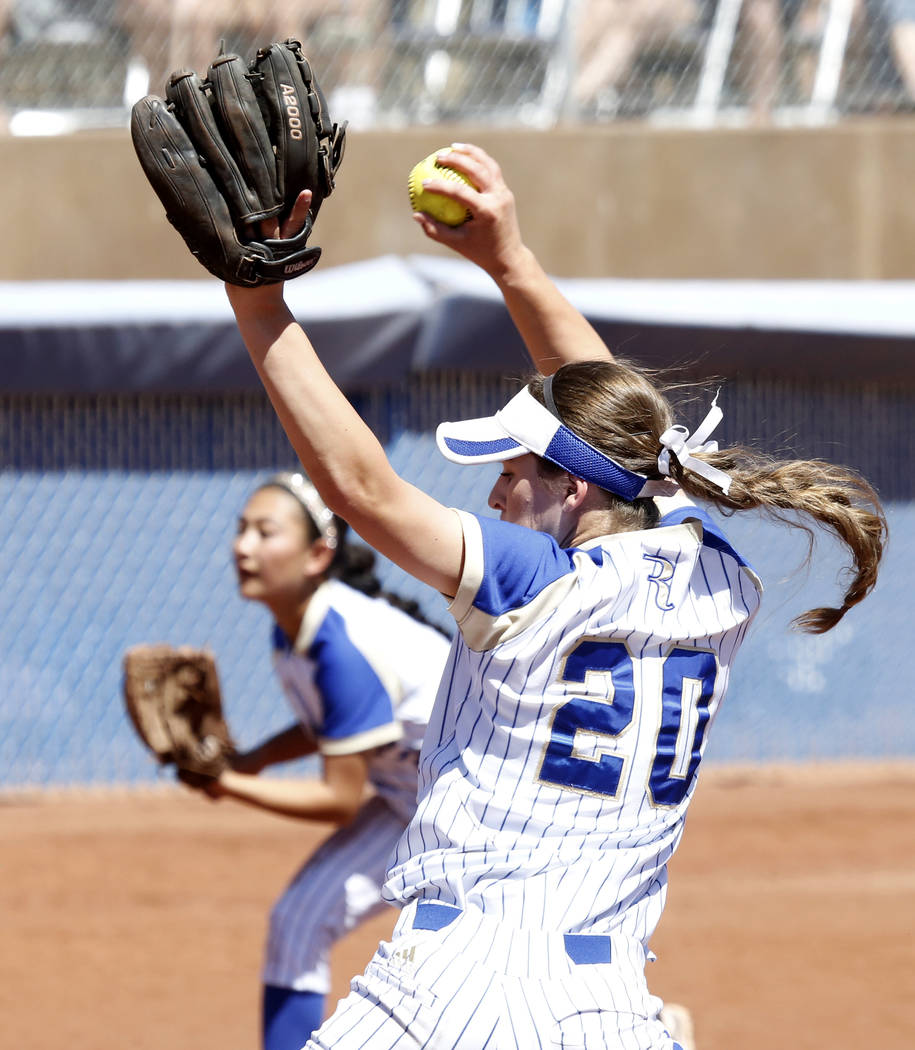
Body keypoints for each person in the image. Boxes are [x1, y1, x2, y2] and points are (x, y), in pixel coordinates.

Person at [221, 144, 885, 1048]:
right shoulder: (720, 574)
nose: (495, 493)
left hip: (452, 987)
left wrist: (257, 300)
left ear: (571, 490)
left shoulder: (529, 580)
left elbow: (360, 489)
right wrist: (510, 260)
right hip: (602, 996)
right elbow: (630, 431)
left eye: (512, 470)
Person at [183, 470, 451, 1050]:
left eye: (265, 532)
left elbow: (338, 800)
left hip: (483, 817)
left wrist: (227, 783)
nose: (243, 545)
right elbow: (328, 729)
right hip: (414, 805)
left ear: (317, 554)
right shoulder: (294, 630)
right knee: (297, 921)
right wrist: (250, 762)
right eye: (241, 530)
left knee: (475, 973)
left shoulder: (341, 643)